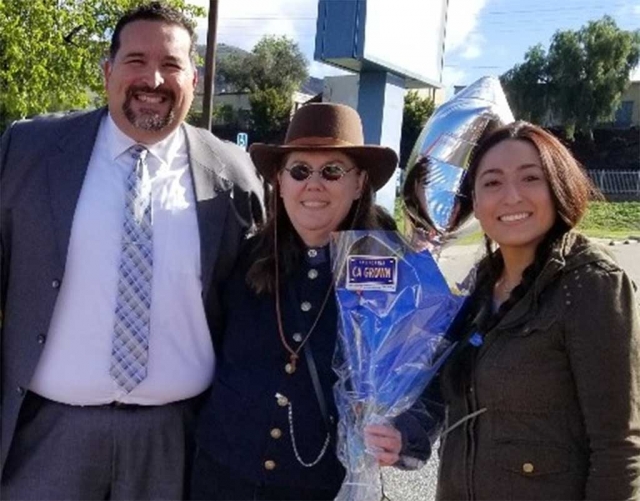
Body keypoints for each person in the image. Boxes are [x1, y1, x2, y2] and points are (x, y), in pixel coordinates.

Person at [0, 2, 263, 499]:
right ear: (107, 71)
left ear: (196, 78)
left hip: (176, 442)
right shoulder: (27, 152)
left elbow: (254, 304)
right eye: (136, 61)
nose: (154, 79)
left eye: (171, 65)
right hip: (47, 438)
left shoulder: (233, 174)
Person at [190, 103, 435, 500]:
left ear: (359, 184)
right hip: (221, 478)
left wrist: (405, 433)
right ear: (280, 182)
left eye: (333, 171)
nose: (314, 184)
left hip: (321, 486)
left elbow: (429, 379)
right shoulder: (243, 260)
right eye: (300, 170)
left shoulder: (396, 273)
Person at [435, 121, 640, 500]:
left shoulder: (589, 285)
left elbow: (619, 449)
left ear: (559, 187)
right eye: (492, 182)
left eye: (531, 178)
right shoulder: (481, 285)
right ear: (475, 204)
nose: (511, 196)